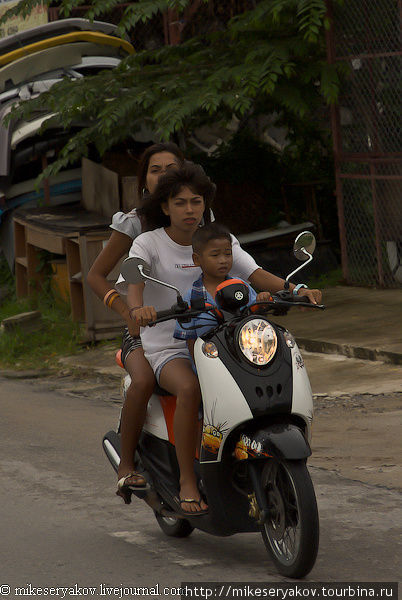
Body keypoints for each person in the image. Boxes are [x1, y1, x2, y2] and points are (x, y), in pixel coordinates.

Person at [117, 162, 322, 515]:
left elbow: (254, 273)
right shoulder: (147, 243)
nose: (189, 210)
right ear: (165, 207)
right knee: (189, 390)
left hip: (224, 338)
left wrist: (296, 290)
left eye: (196, 201)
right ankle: (185, 479)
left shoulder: (217, 241)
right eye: (179, 203)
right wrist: (138, 309)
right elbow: (134, 285)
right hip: (170, 343)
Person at [87, 142, 184, 501]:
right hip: (143, 332)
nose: (165, 175)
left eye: (172, 167)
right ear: (145, 181)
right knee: (143, 380)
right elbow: (96, 276)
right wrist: (127, 311)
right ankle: (127, 466)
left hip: (191, 326)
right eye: (156, 169)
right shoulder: (134, 223)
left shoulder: (198, 217)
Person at [173, 222, 272, 359]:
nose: (223, 260)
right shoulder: (191, 298)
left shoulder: (242, 286)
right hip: (212, 363)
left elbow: (256, 315)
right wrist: (199, 368)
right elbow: (190, 340)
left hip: (248, 356)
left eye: (228, 254)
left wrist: (263, 300)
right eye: (215, 255)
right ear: (196, 259)